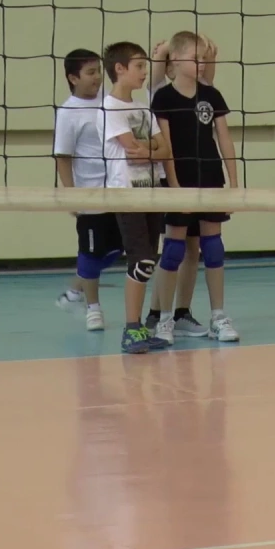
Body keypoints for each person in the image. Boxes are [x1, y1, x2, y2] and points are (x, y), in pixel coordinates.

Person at [150, 31, 240, 344]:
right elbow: (166, 146)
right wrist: (174, 186)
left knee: (212, 247)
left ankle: (218, 317)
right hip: (179, 179)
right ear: (175, 59)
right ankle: (164, 320)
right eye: (195, 58)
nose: (202, 63)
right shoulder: (163, 97)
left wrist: (234, 184)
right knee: (173, 250)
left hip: (211, 177)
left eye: (204, 58)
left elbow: (224, 138)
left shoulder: (211, 95)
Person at [99, 41, 172, 354]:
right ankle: (131, 329)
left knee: (149, 260)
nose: (144, 72)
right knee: (140, 260)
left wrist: (149, 150)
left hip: (152, 192)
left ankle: (139, 326)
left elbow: (165, 150)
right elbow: (132, 151)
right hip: (127, 193)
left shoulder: (143, 108)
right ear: (120, 69)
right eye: (139, 66)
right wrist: (151, 149)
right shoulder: (110, 107)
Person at [53, 48, 119, 332]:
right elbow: (63, 157)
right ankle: (93, 308)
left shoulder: (109, 102)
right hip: (89, 194)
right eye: (90, 72)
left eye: (98, 71)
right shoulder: (68, 112)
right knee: (91, 252)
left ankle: (73, 292)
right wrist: (71, 196)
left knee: (116, 250)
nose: (97, 77)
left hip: (118, 189)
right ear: (73, 78)